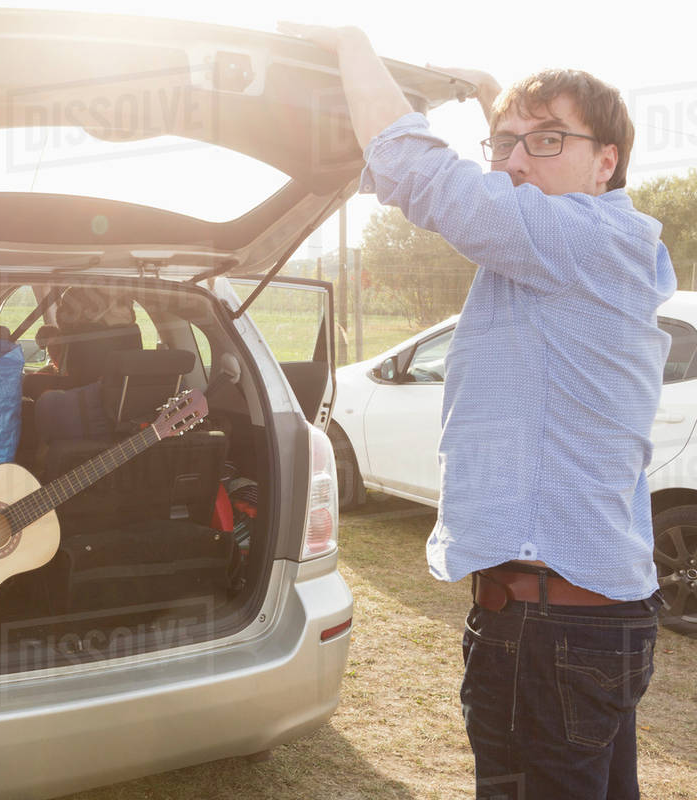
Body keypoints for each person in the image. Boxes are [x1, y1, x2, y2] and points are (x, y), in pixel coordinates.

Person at [279, 23, 676, 799]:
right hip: (586, 623)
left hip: (549, 630)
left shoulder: (577, 240)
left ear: (607, 164)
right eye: (504, 143)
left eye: (549, 139)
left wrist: (350, 43)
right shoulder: (607, 238)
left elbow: (417, 173)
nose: (517, 160)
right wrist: (501, 99)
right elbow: (520, 178)